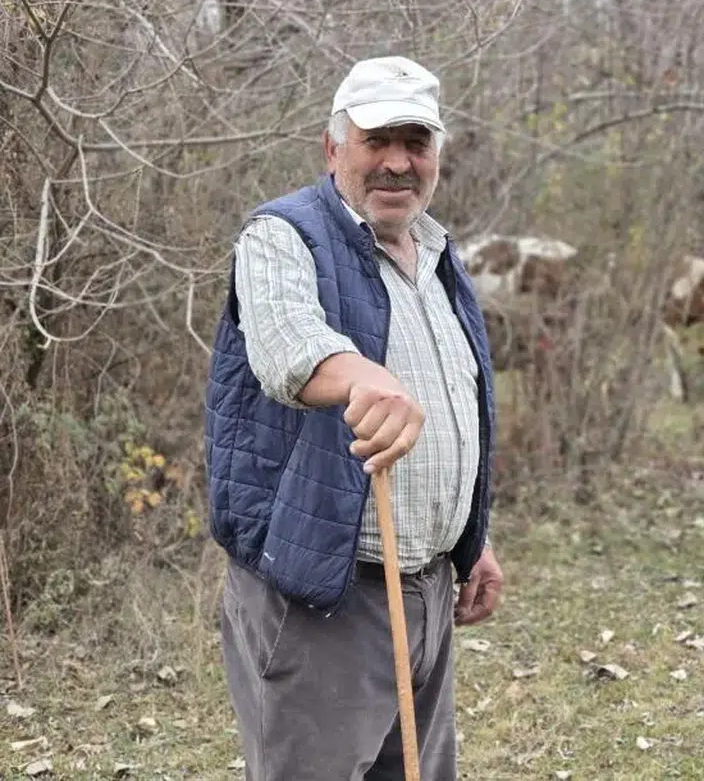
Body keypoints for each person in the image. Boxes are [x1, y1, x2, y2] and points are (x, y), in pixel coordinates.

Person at [203, 55, 504, 780]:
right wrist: (363, 376)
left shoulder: (436, 252)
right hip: (325, 595)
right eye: (377, 140)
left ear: (437, 155)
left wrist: (472, 538)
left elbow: (455, 401)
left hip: (427, 588)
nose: (398, 162)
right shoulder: (281, 235)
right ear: (333, 147)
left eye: (416, 142)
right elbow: (288, 348)